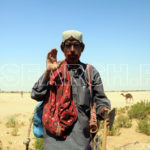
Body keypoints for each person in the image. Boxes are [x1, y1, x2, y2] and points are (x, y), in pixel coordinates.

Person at [31, 30, 111, 150]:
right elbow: (36, 94)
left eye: (76, 45)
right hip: (53, 143)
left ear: (82, 48)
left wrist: (104, 111)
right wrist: (48, 72)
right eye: (68, 45)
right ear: (63, 48)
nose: (72, 49)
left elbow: (100, 99)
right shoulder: (54, 70)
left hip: (82, 142)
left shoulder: (90, 72)